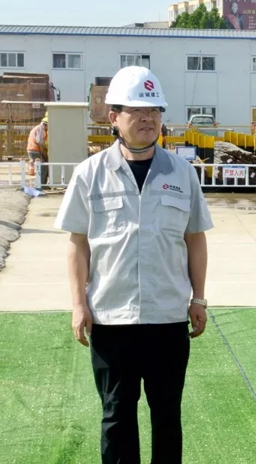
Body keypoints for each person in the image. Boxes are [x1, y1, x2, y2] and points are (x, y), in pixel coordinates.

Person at [54, 66, 214, 463]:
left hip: (167, 317)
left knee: (167, 413)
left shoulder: (182, 173)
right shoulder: (90, 174)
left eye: (154, 110)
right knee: (116, 414)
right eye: (137, 110)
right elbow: (78, 244)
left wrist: (199, 298)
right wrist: (78, 304)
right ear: (114, 117)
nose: (148, 119)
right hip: (112, 317)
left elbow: (195, 239)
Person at [27, 114, 49, 185]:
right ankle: (41, 184)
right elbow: (40, 142)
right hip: (35, 150)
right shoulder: (40, 129)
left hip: (34, 150)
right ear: (45, 125)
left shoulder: (40, 129)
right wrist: (44, 152)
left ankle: (42, 183)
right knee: (43, 166)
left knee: (43, 165)